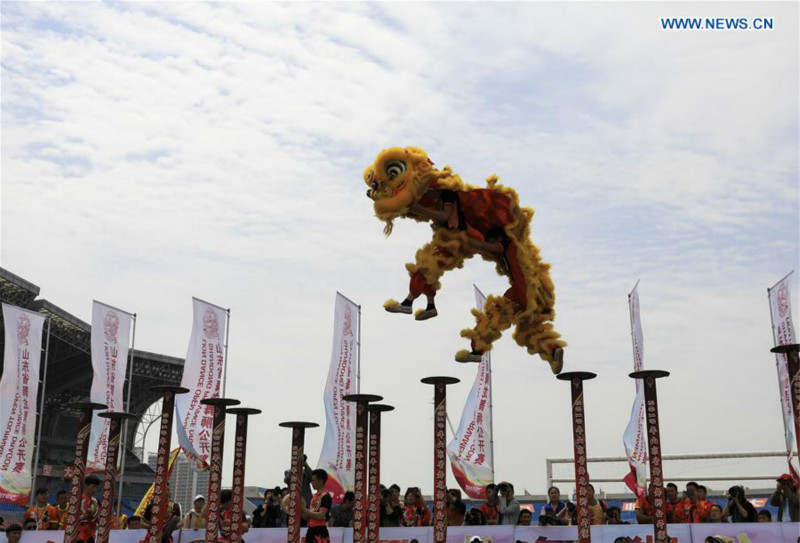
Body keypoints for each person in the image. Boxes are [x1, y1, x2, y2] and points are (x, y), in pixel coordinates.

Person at [300, 469, 332, 543]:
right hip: (311, 530)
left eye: (313, 480)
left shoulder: (326, 497)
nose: (312, 483)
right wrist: (300, 511)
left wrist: (304, 509)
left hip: (320, 531)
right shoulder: (314, 497)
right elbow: (307, 517)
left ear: (321, 481)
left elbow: (320, 515)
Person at [76, 475, 100, 543]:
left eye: (96, 487)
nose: (95, 490)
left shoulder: (95, 501)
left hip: (90, 535)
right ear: (86, 485)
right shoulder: (77, 500)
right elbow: (70, 519)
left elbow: (96, 519)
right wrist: (83, 516)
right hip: (78, 535)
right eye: (93, 487)